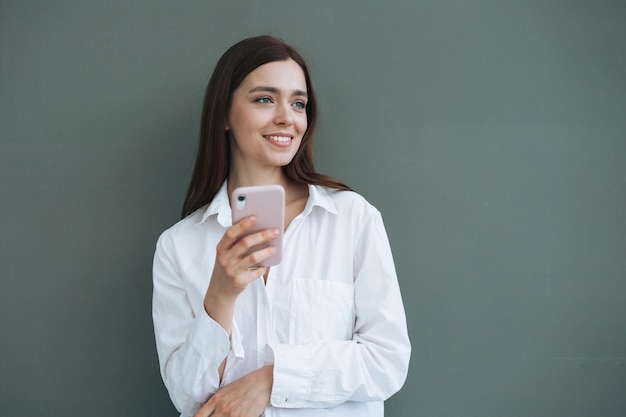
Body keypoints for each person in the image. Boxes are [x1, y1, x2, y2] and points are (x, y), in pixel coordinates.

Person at [152, 35, 411, 417]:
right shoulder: (179, 245)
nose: (286, 117)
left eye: (298, 103)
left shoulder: (352, 218)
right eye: (264, 99)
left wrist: (271, 380)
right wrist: (220, 297)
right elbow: (187, 398)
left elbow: (387, 362)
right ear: (224, 113)